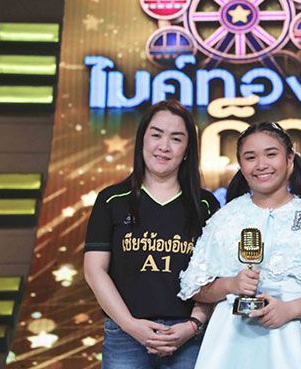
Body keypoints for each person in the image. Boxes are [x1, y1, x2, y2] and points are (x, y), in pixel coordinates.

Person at [178, 121, 301, 368]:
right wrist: (231, 284)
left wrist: (290, 309)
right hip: (232, 342)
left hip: (295, 337)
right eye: (250, 157)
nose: (261, 165)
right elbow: (196, 288)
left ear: (290, 159)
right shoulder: (224, 218)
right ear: (241, 165)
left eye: (271, 154)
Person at [84, 100, 220, 368]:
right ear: (142, 140)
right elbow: (94, 270)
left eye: (176, 139)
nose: (164, 146)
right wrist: (130, 325)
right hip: (124, 335)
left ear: (187, 149)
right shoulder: (112, 200)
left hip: (187, 337)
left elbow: (215, 276)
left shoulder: (205, 205)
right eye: (156, 135)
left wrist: (193, 325)